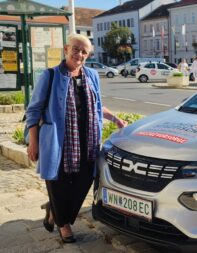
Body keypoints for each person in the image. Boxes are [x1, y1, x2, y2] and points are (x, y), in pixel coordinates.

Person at [26, 34, 127, 243]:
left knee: (84, 182)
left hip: (88, 141)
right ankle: (64, 225)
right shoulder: (51, 75)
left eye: (84, 51)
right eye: (76, 49)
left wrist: (115, 119)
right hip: (58, 142)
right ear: (66, 48)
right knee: (59, 184)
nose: (79, 54)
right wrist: (33, 142)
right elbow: (34, 110)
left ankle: (54, 210)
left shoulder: (92, 75)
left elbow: (98, 106)